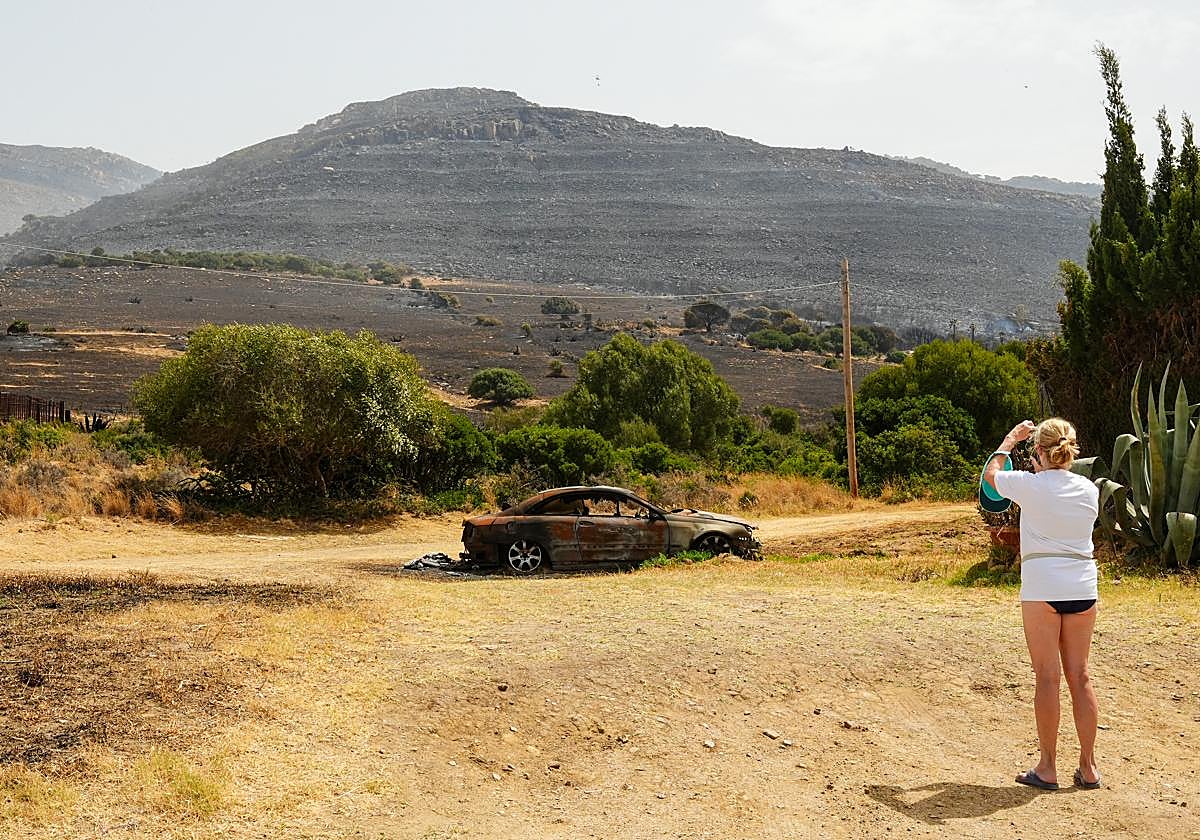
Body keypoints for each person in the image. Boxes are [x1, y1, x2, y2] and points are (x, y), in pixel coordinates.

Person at [983, 417, 1102, 792]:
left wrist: (1008, 440)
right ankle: (1089, 767)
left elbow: (991, 477)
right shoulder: (1089, 490)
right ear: (1071, 450)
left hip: (1041, 587)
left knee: (1047, 678)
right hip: (1083, 585)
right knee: (1080, 677)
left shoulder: (1029, 486)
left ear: (1038, 452)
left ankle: (1048, 767)